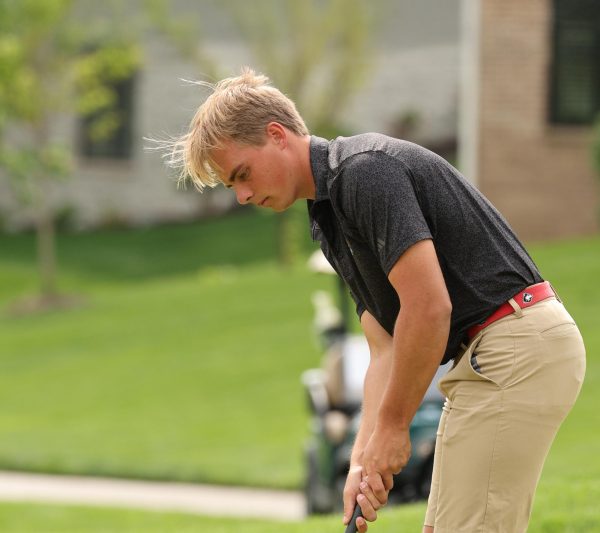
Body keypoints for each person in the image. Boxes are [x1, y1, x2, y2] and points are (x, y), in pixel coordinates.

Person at [166, 67, 586, 532]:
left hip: (516, 346)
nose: (243, 195)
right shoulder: (328, 214)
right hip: (491, 359)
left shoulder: (364, 172)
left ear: (277, 135)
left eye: (243, 174)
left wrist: (392, 428)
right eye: (231, 185)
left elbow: (428, 308)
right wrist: (363, 459)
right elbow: (384, 345)